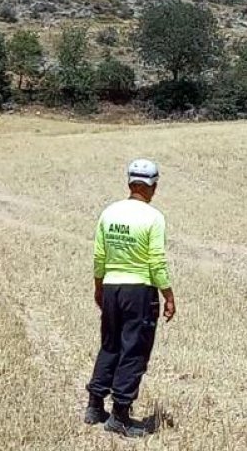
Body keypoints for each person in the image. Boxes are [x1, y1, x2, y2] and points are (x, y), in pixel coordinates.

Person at [85, 159, 176, 438]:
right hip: (140, 291)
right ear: (153, 186)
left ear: (129, 183)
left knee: (110, 345)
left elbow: (99, 257)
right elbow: (156, 262)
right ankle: (121, 415)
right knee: (134, 350)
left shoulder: (109, 212)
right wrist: (168, 295)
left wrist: (99, 287)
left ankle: (94, 405)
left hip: (112, 288)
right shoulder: (153, 217)